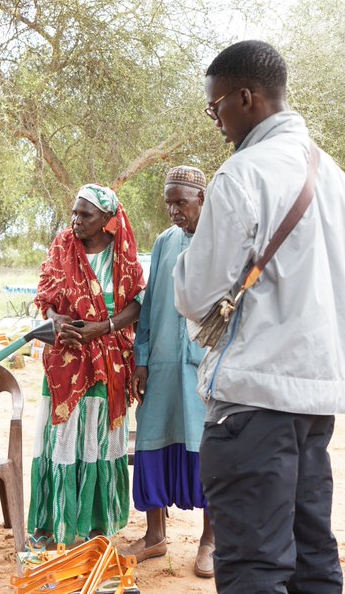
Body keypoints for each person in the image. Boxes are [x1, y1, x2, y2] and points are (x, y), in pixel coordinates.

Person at [175, 40, 345, 593]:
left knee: (254, 565)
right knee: (312, 559)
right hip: (315, 403)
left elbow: (195, 293)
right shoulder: (336, 178)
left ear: (245, 98)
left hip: (253, 403)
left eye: (215, 107)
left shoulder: (243, 174)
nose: (215, 121)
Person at [27, 183, 145, 548]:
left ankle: (95, 525)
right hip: (65, 361)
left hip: (108, 362)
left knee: (97, 439)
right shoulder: (63, 245)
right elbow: (46, 295)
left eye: (86, 214)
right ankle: (54, 524)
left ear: (107, 219)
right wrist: (57, 320)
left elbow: (138, 302)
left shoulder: (122, 253)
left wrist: (103, 327)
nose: (76, 220)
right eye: (74, 213)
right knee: (61, 439)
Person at [122, 166, 213, 578]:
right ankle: (155, 535)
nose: (174, 210)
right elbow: (151, 303)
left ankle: (211, 541)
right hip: (160, 362)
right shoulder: (164, 242)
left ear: (202, 199)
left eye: (181, 202)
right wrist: (141, 359)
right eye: (168, 203)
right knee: (152, 440)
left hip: (204, 366)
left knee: (207, 448)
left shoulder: (221, 240)